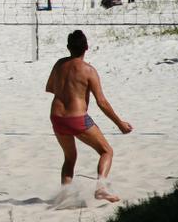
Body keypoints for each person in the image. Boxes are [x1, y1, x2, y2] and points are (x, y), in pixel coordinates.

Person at [45, 30, 133, 203]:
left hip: (56, 117)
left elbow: (50, 88)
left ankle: (66, 197)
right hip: (77, 118)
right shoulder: (89, 70)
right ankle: (101, 188)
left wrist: (67, 88)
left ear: (68, 47)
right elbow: (102, 102)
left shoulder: (58, 64)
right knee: (106, 151)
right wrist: (120, 124)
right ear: (86, 47)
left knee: (69, 158)